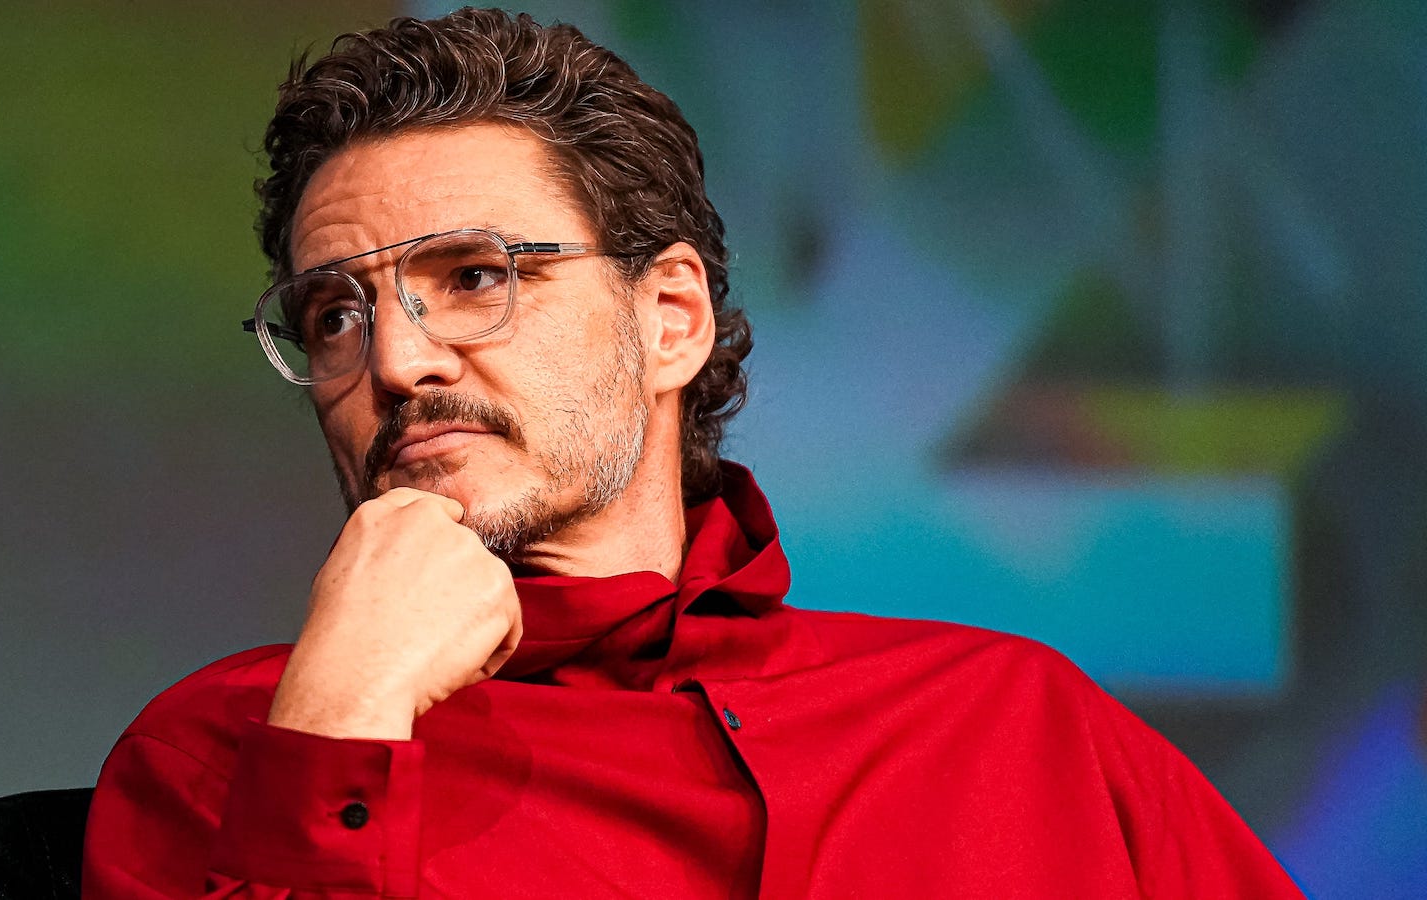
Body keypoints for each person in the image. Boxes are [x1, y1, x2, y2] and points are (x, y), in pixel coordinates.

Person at [82, 8, 1304, 898]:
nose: (395, 363)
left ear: (669, 318)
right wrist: (341, 721)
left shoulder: (1018, 727)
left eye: (473, 278)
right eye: (333, 315)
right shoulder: (229, 751)